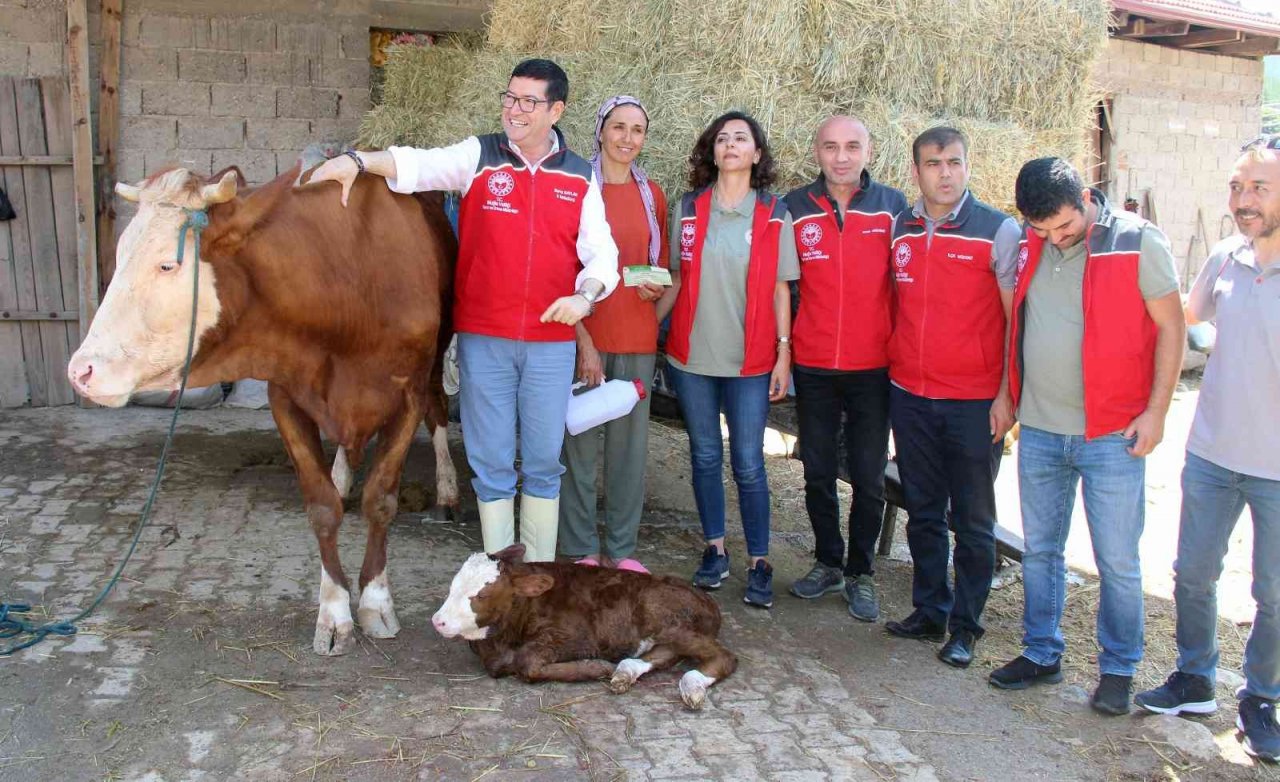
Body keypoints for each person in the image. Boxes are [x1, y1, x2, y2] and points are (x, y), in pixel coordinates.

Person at [310, 59, 619, 562]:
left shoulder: (580, 176)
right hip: (485, 340)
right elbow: (418, 165)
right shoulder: (481, 155)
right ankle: (498, 576)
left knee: (543, 463)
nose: (514, 110)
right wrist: (359, 161)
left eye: (529, 101)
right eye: (510, 97)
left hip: (550, 345)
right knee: (491, 463)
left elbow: (603, 255)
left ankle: (536, 575)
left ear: (556, 110)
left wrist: (584, 296)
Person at [987, 158, 1183, 715]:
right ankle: (1041, 651)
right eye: (1042, 229)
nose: (1054, 238)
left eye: (1064, 227)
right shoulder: (1028, 242)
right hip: (1042, 427)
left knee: (1116, 559)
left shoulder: (1137, 242)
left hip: (1112, 433)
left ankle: (1118, 668)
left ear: (1085, 199)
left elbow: (1172, 327)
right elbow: (1016, 324)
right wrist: (1006, 394)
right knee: (1041, 550)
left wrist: (1156, 412)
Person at [1134, 135, 1280, 760]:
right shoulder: (1224, 257)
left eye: (1259, 188)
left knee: (1273, 592)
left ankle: (1261, 697)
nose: (1243, 200)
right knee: (1193, 574)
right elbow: (1185, 321)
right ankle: (1194, 678)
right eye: (1236, 187)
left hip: (1276, 468)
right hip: (1213, 454)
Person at [883, 127, 1020, 668]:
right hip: (910, 395)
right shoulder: (902, 227)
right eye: (934, 163)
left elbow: (1015, 322)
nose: (945, 173)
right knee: (922, 512)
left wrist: (1006, 396)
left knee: (973, 521)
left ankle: (966, 627)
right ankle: (930, 610)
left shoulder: (997, 231)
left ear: (967, 166)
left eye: (954, 162)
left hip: (973, 402)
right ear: (916, 170)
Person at [666, 110, 799, 609]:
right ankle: (715, 550)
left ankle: (760, 561)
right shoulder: (688, 208)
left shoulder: (775, 214)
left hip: (751, 362)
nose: (730, 145)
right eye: (722, 138)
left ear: (756, 153)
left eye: (741, 139)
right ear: (712, 150)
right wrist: (644, 323)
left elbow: (782, 289)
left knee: (748, 462)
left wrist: (783, 353)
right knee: (704, 455)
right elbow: (675, 277)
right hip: (692, 358)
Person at [783, 116, 907, 622]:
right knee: (816, 470)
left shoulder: (893, 206)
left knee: (868, 475)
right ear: (816, 151)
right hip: (814, 363)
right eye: (831, 146)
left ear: (868, 151)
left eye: (852, 146)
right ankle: (828, 561)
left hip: (873, 366)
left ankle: (861, 572)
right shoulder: (794, 206)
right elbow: (780, 284)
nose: (841, 157)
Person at [558, 95, 675, 573]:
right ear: (601, 130)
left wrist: (655, 292)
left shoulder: (653, 196)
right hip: (587, 337)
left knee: (629, 455)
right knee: (579, 448)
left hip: (637, 339)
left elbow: (659, 266)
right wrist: (583, 341)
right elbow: (561, 269)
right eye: (619, 127)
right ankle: (581, 547)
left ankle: (623, 550)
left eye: (637, 130)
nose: (627, 138)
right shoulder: (577, 188)